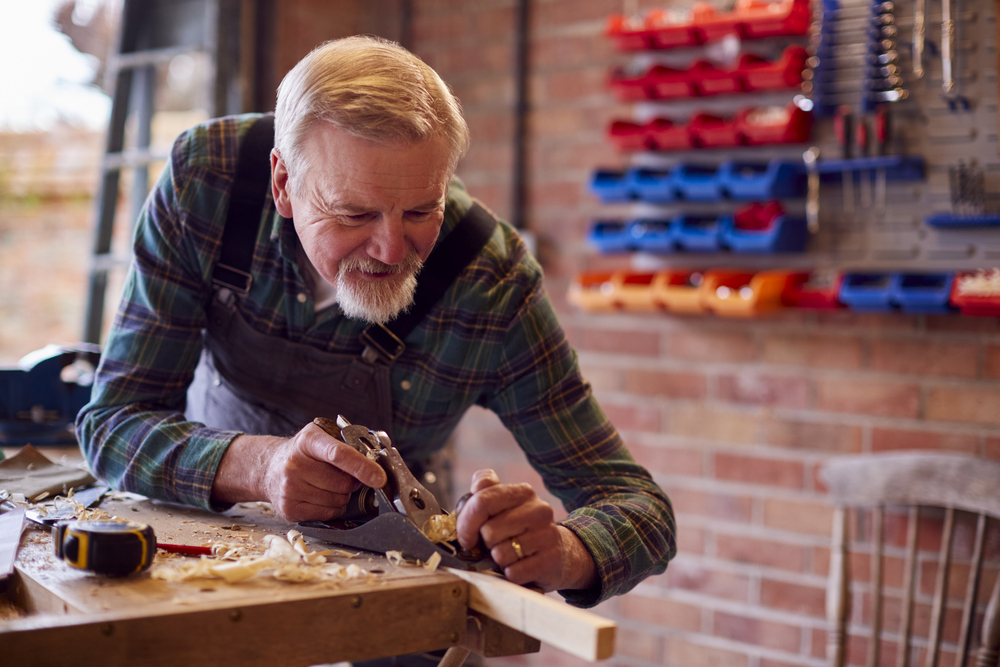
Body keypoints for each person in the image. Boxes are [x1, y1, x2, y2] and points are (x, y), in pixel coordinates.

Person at [76, 35, 675, 610]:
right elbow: (111, 422)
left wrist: (563, 552)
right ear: (285, 183)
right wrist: (260, 467)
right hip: (213, 561)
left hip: (394, 579)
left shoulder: (491, 282)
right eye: (355, 213)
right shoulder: (209, 182)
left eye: (421, 210)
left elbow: (638, 507)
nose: (392, 251)